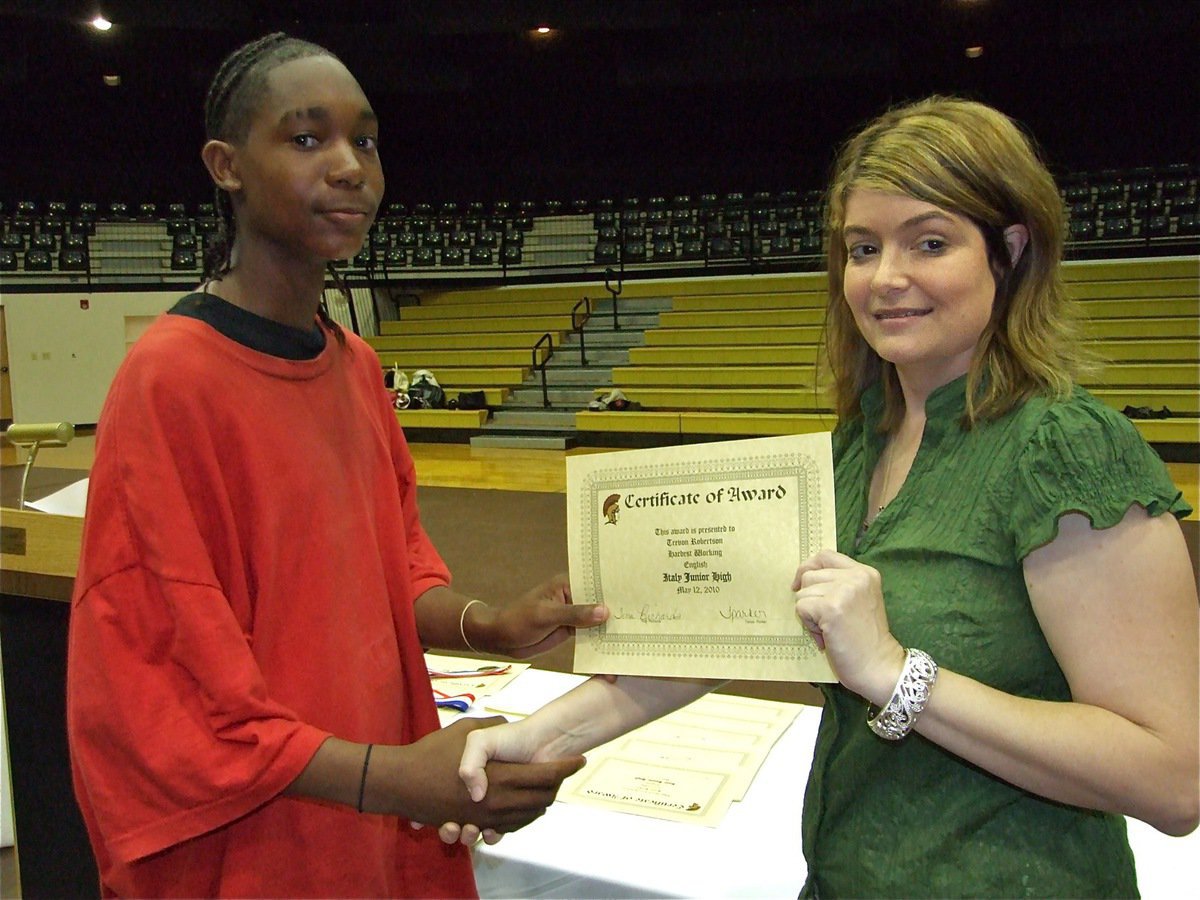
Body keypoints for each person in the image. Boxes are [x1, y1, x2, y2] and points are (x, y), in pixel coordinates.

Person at [447, 96, 1199, 897]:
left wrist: (897, 673)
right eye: (863, 248)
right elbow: (716, 646)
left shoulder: (1066, 449)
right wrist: (533, 738)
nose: (886, 279)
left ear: (1008, 252)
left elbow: (1170, 778)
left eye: (931, 243)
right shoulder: (852, 444)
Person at [65, 32, 607, 899]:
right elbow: (165, 681)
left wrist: (490, 625)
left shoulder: (354, 365)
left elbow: (392, 571)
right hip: (260, 833)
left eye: (366, 139)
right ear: (226, 165)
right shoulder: (170, 380)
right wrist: (393, 779)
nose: (351, 165)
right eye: (307, 137)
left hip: (369, 806)